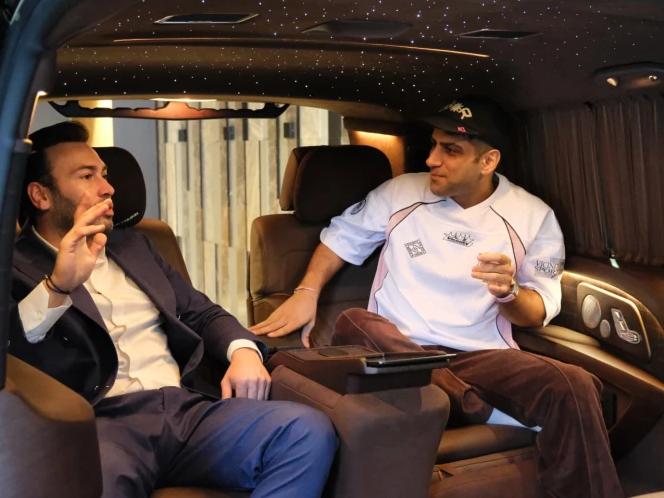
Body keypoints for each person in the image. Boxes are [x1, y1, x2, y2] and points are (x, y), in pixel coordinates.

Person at [249, 96, 623, 498]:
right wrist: (306, 292)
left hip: (476, 357)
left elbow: (536, 312)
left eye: (450, 150)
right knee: (355, 322)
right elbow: (340, 241)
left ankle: (472, 407)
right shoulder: (400, 193)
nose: (431, 159)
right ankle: (478, 408)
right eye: (432, 145)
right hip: (396, 355)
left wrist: (510, 293)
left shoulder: (532, 216)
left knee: (574, 382)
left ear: (488, 161)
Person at [9, 121, 336, 498]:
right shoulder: (9, 267)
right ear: (41, 195)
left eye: (104, 174)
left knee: (306, 431)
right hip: (102, 423)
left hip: (185, 411)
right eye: (87, 176)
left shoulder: (135, 246)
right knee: (94, 484)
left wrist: (243, 351)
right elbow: (6, 354)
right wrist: (58, 285)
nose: (108, 188)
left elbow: (202, 312)